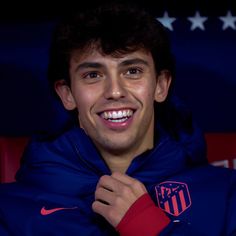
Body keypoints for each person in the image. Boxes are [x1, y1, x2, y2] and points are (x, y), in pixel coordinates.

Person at [0, 2, 236, 235]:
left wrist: (149, 228)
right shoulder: (10, 210)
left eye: (132, 71)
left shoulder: (227, 194)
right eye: (93, 75)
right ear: (68, 94)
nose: (114, 91)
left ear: (161, 85)